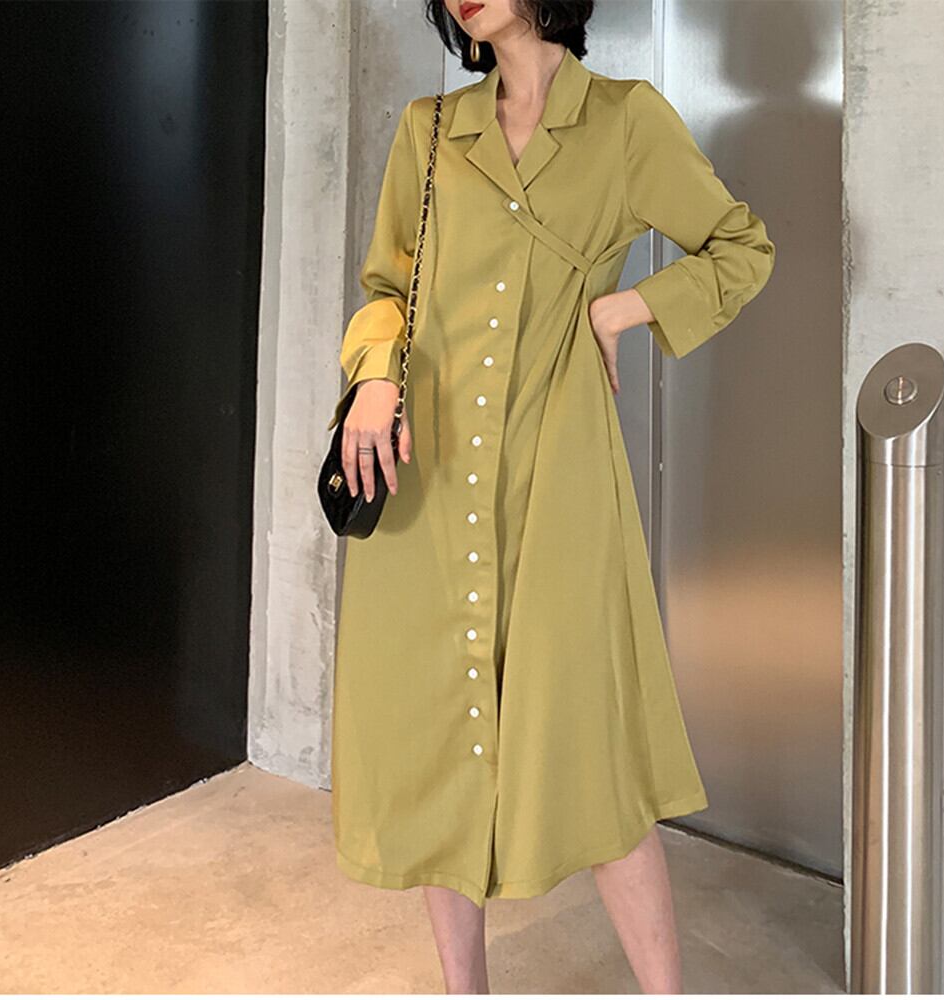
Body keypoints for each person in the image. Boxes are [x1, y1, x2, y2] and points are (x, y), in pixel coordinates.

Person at [327, 0, 775, 992]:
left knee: (593, 751)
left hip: (558, 476)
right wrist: (374, 376)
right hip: (431, 473)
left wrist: (627, 306)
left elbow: (740, 247)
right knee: (439, 747)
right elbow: (387, 289)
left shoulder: (625, 120)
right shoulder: (430, 132)